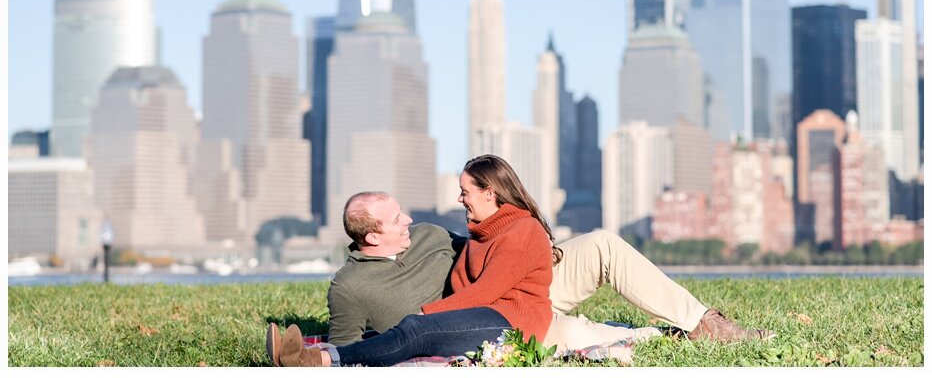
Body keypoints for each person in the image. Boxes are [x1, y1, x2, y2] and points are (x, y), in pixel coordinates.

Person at [312, 186, 773, 354]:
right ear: (371, 237)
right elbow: (351, 349)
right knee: (588, 335)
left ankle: (704, 323)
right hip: (495, 323)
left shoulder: (430, 234)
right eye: (396, 220)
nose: (408, 220)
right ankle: (667, 339)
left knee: (600, 244)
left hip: (516, 286)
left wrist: (535, 248)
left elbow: (489, 245)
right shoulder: (349, 288)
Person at [267, 154, 559, 367]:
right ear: (373, 238)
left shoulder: (521, 229)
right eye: (397, 220)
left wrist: (426, 313)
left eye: (464, 192)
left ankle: (318, 359)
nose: (460, 199)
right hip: (485, 314)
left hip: (513, 322)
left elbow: (486, 291)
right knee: (397, 333)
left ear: (489, 193)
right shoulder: (482, 233)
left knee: (416, 329)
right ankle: (301, 354)